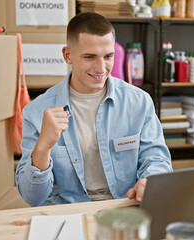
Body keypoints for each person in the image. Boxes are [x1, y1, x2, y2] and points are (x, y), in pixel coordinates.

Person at [16, 12, 172, 207]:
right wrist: (43, 146)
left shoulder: (139, 102)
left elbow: (156, 159)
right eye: (89, 57)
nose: (101, 68)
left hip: (125, 205)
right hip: (67, 211)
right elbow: (32, 197)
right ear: (67, 55)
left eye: (108, 56)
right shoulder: (36, 112)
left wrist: (150, 180)